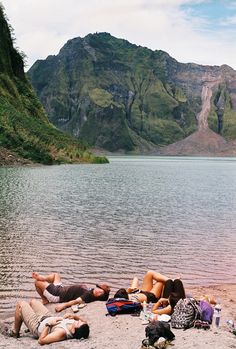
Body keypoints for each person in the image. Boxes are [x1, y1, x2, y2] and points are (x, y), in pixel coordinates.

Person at [10, 299, 89, 345]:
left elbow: (41, 341)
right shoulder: (79, 328)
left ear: (73, 330)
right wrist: (75, 316)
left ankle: (15, 332)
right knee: (33, 301)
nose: (78, 321)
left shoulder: (61, 333)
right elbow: (85, 323)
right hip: (47, 317)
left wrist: (49, 325)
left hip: (37, 325)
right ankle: (24, 320)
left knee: (20, 304)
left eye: (78, 323)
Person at [32, 272, 110, 312]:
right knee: (56, 275)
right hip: (61, 288)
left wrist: (63, 306)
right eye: (100, 290)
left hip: (57, 294)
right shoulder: (91, 290)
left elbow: (76, 301)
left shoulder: (88, 295)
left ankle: (44, 299)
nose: (98, 292)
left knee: (37, 282)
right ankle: (44, 278)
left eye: (100, 294)